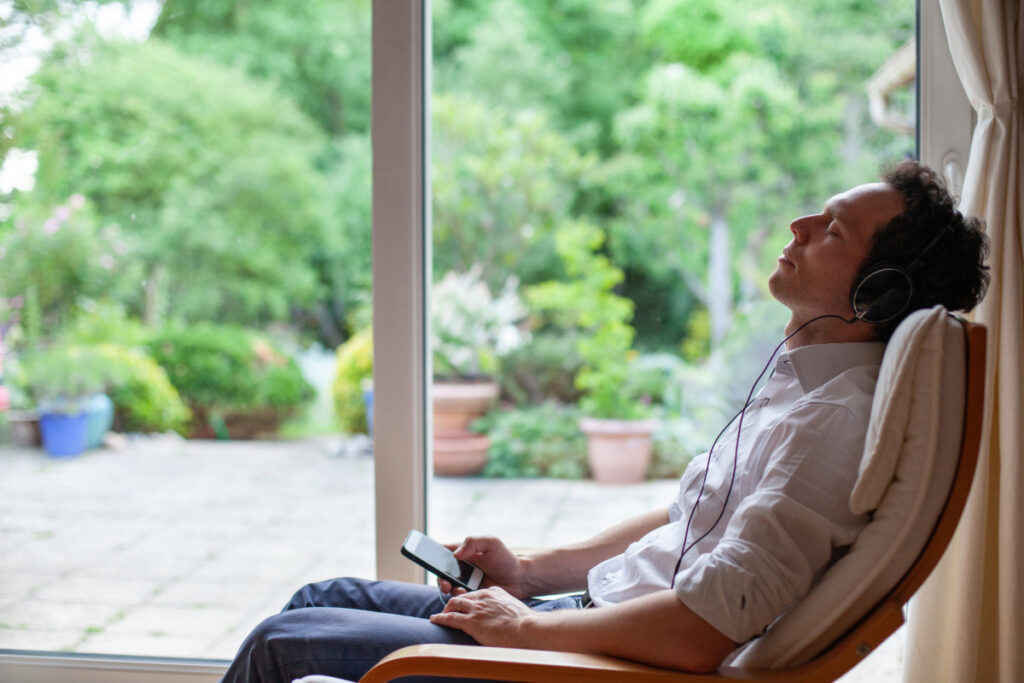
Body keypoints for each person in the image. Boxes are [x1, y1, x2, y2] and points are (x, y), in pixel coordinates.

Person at [220, 160, 989, 683]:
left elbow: (698, 632)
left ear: (878, 295)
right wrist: (528, 573)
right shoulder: (801, 390)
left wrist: (523, 630)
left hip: (600, 657)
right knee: (316, 593)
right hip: (579, 619)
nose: (796, 224)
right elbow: (687, 522)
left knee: (280, 644)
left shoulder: (831, 429)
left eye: (830, 229)